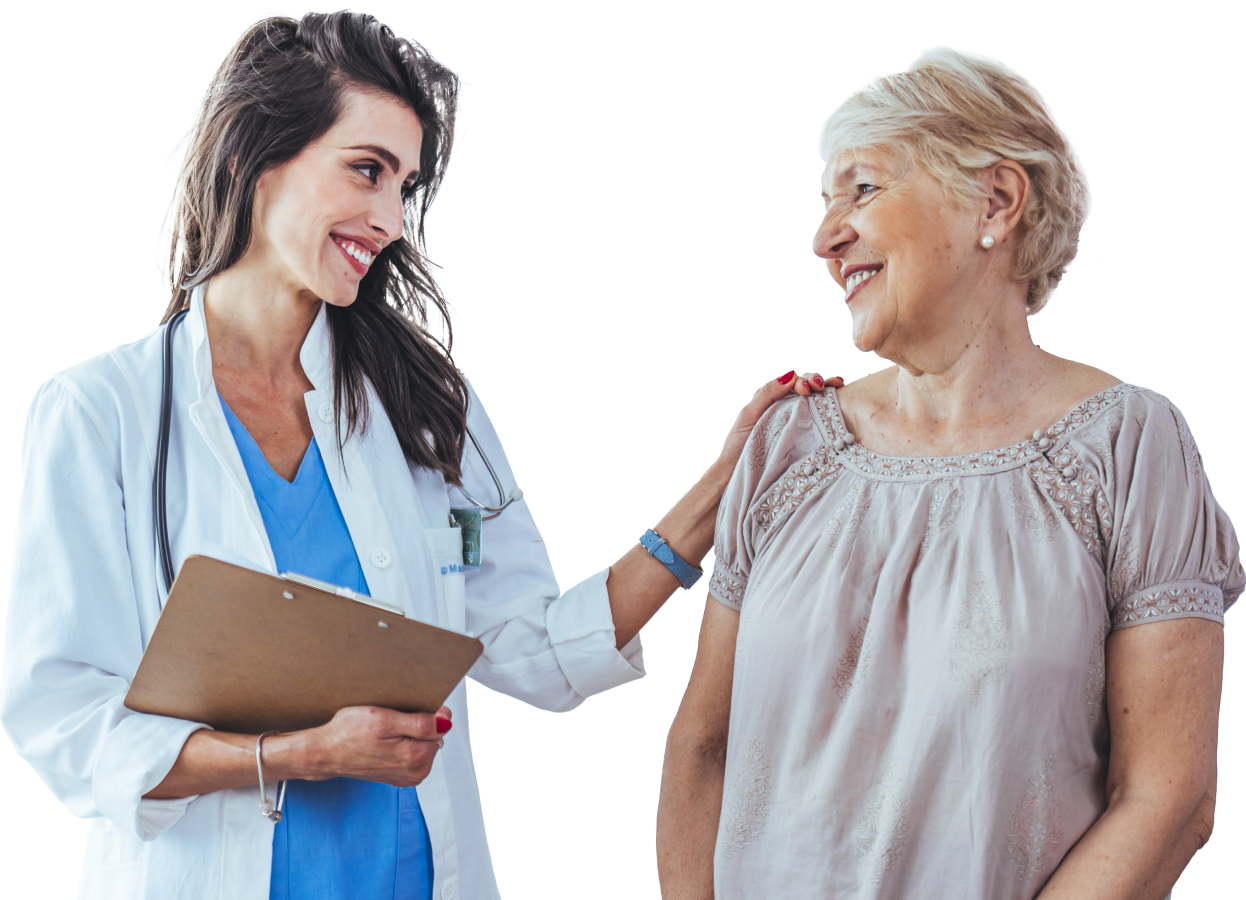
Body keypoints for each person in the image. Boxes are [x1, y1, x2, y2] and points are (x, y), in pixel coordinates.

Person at [0, 9, 832, 900]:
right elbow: (64, 715)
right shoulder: (101, 413)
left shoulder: (426, 406)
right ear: (253, 157)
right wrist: (296, 754)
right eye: (367, 170)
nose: (391, 221)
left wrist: (718, 492)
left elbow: (530, 647)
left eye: (406, 187)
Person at [656, 44, 1239, 900]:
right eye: (825, 203)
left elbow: (1167, 797)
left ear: (995, 201)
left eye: (863, 188)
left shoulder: (1128, 446)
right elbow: (702, 749)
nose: (825, 238)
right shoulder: (788, 445)